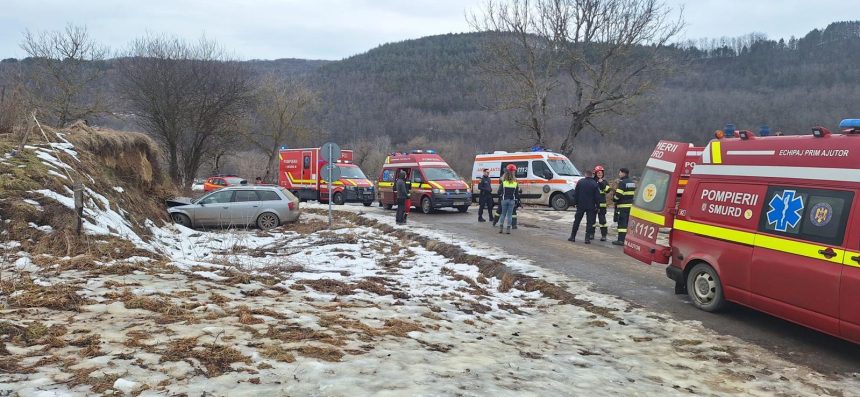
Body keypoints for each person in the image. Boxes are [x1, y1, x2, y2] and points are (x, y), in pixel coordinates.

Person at [568, 170, 601, 244]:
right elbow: (597, 197)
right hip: (591, 206)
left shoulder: (580, 182)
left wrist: (575, 203)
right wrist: (598, 206)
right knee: (589, 223)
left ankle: (572, 237)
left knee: (577, 221)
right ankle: (587, 239)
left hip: (581, 205)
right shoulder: (594, 184)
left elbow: (576, 193)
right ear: (591, 175)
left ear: (585, 175)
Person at [612, 167, 636, 246]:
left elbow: (618, 195)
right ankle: (625, 239)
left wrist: (614, 199)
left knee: (622, 224)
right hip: (630, 206)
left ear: (623, 173)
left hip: (622, 206)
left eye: (620, 173)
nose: (619, 174)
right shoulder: (632, 182)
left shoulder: (622, 183)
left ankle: (621, 240)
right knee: (626, 223)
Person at [496, 164, 520, 234]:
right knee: (510, 215)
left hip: (504, 200)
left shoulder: (503, 183)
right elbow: (517, 194)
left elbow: (499, 192)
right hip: (512, 201)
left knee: (503, 214)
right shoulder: (515, 183)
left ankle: (501, 228)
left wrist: (502, 195)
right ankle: (508, 229)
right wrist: (516, 200)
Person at [593, 166, 611, 241]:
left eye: (601, 173)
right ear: (596, 173)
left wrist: (601, 183)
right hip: (593, 203)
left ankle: (604, 235)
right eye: (598, 173)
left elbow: (607, 190)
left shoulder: (605, 181)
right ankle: (591, 234)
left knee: (602, 221)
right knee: (592, 220)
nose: (600, 174)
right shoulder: (592, 181)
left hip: (602, 204)